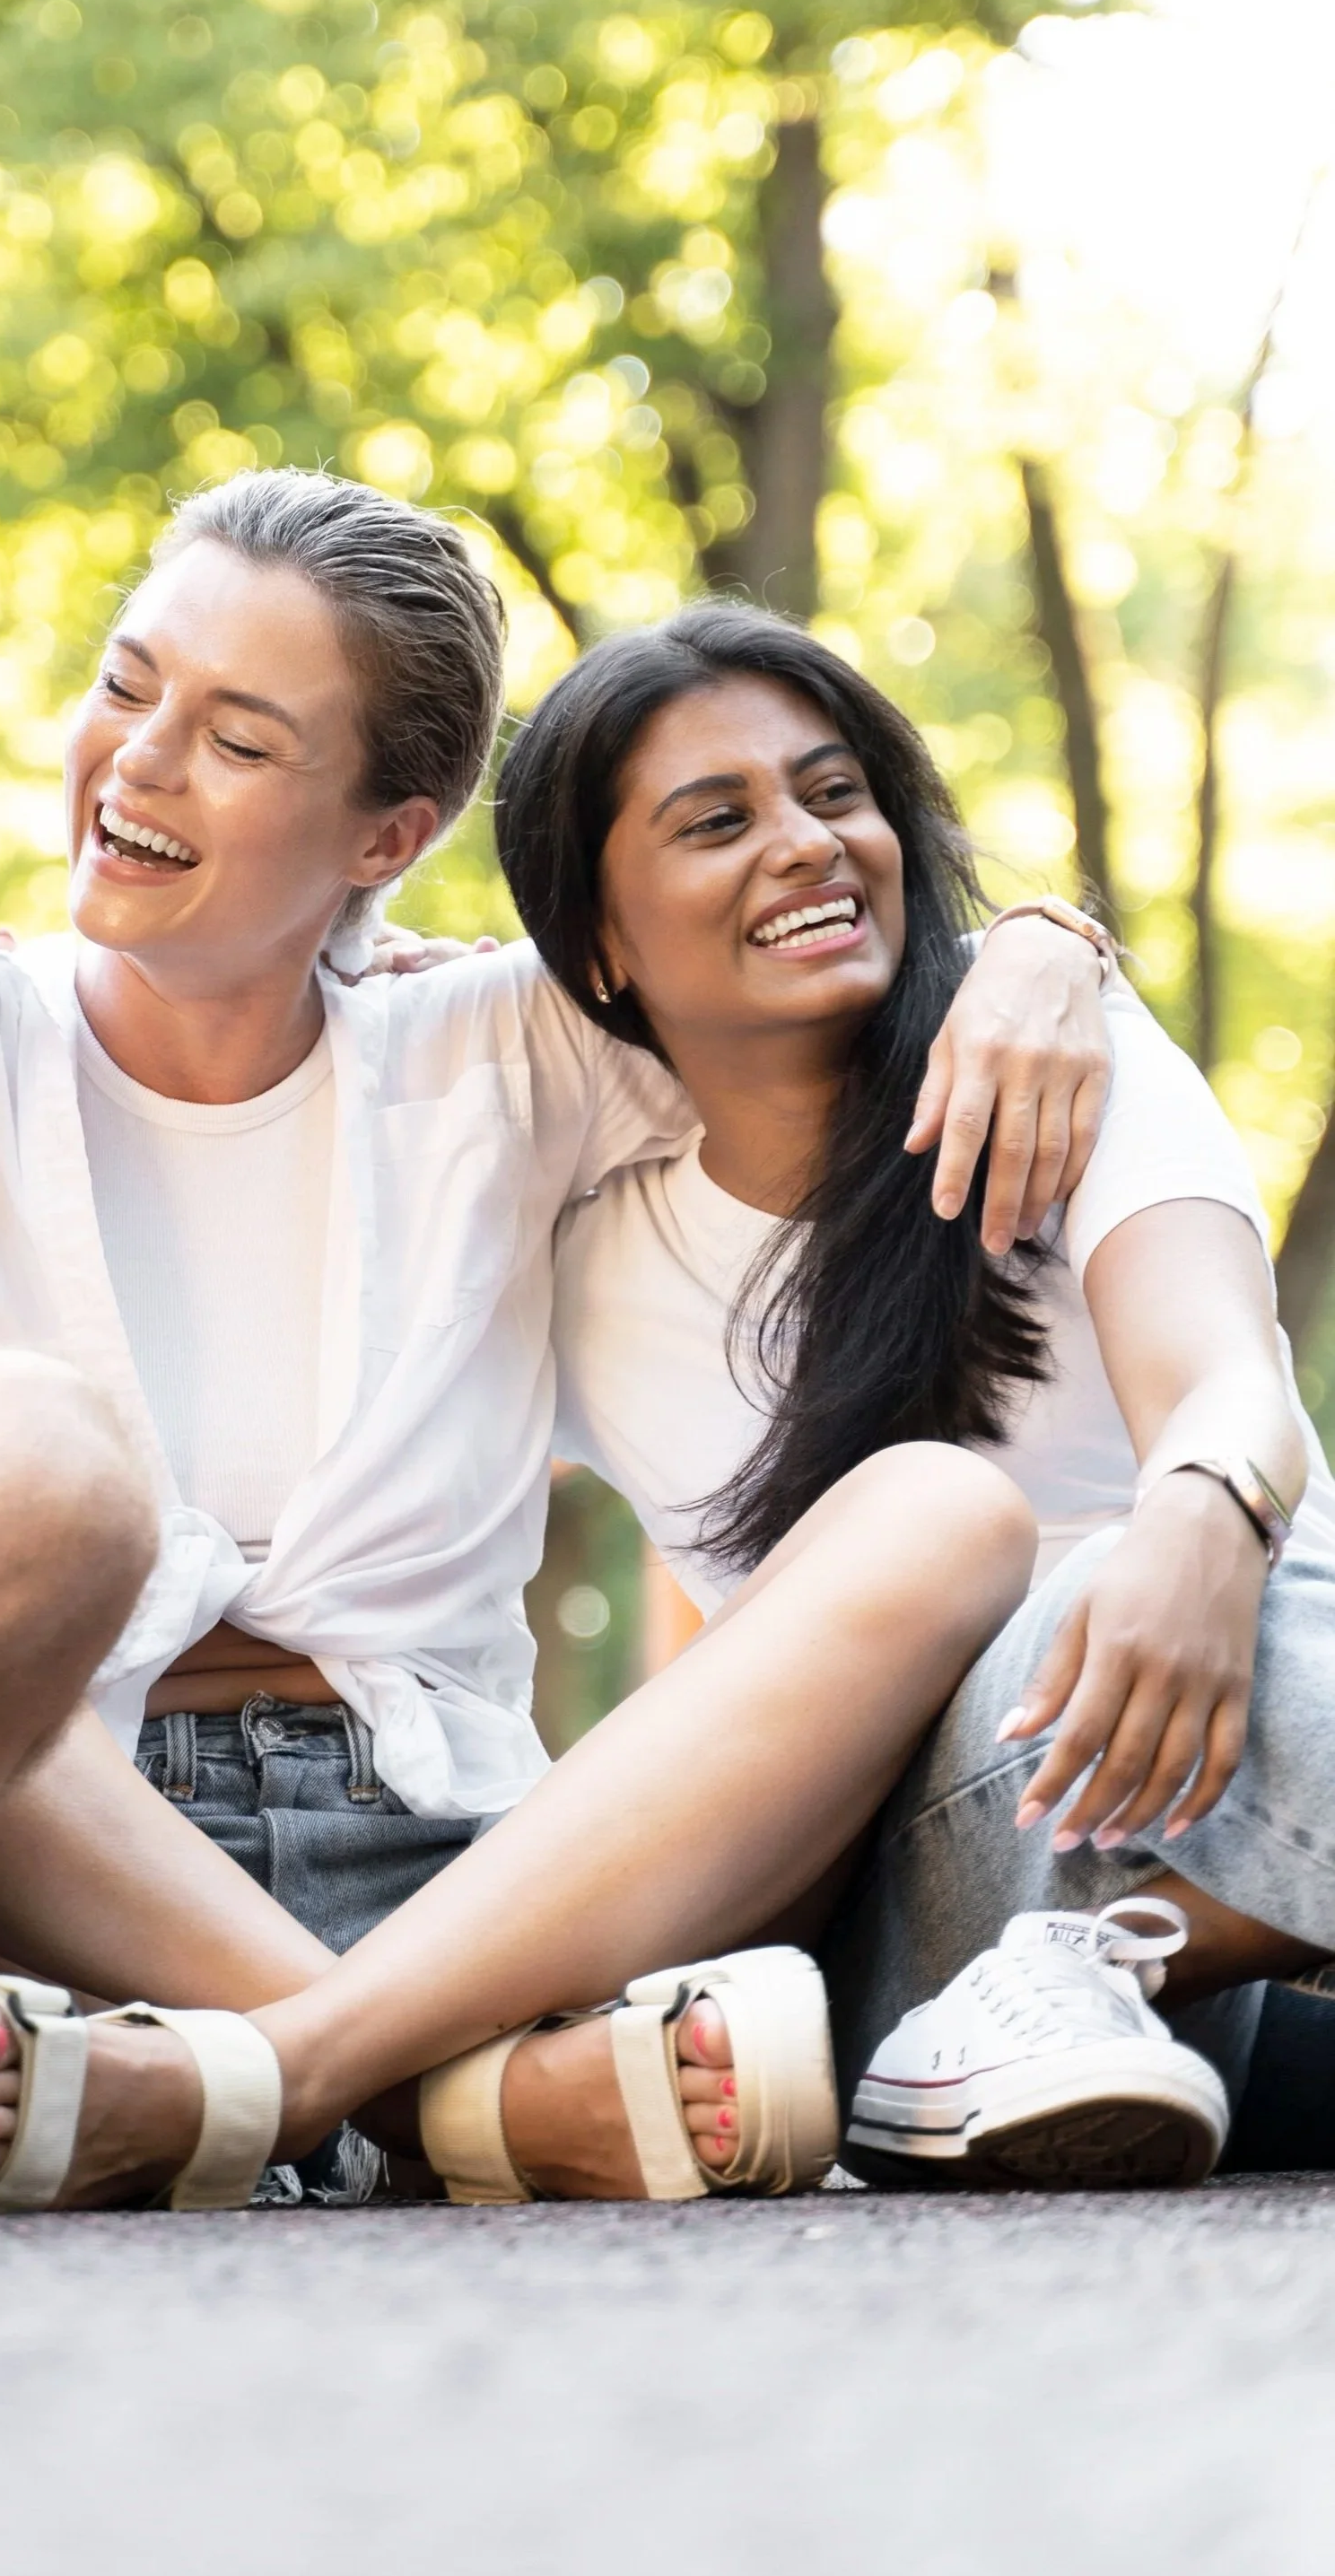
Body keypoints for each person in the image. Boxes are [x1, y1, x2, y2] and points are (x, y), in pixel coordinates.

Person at [0, 442, 1130, 2218]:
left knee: (940, 1517)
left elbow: (808, 930)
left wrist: (1049, 942)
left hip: (460, 1872)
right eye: (127, 686)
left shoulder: (515, 1053)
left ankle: (251, 2079)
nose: (137, 766)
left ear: (388, 831)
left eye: (238, 739)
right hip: (30, 1853)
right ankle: (442, 2104)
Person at [494, 599, 1335, 2186]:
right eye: (716, 820)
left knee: (1256, 1596)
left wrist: (1203, 1515)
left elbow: (1223, 1372)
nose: (805, 844)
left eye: (832, 793)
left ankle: (1112, 1972)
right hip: (906, 1884)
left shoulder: (1054, 1060)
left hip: (1198, 1777)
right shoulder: (574, 1249)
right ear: (600, 937)